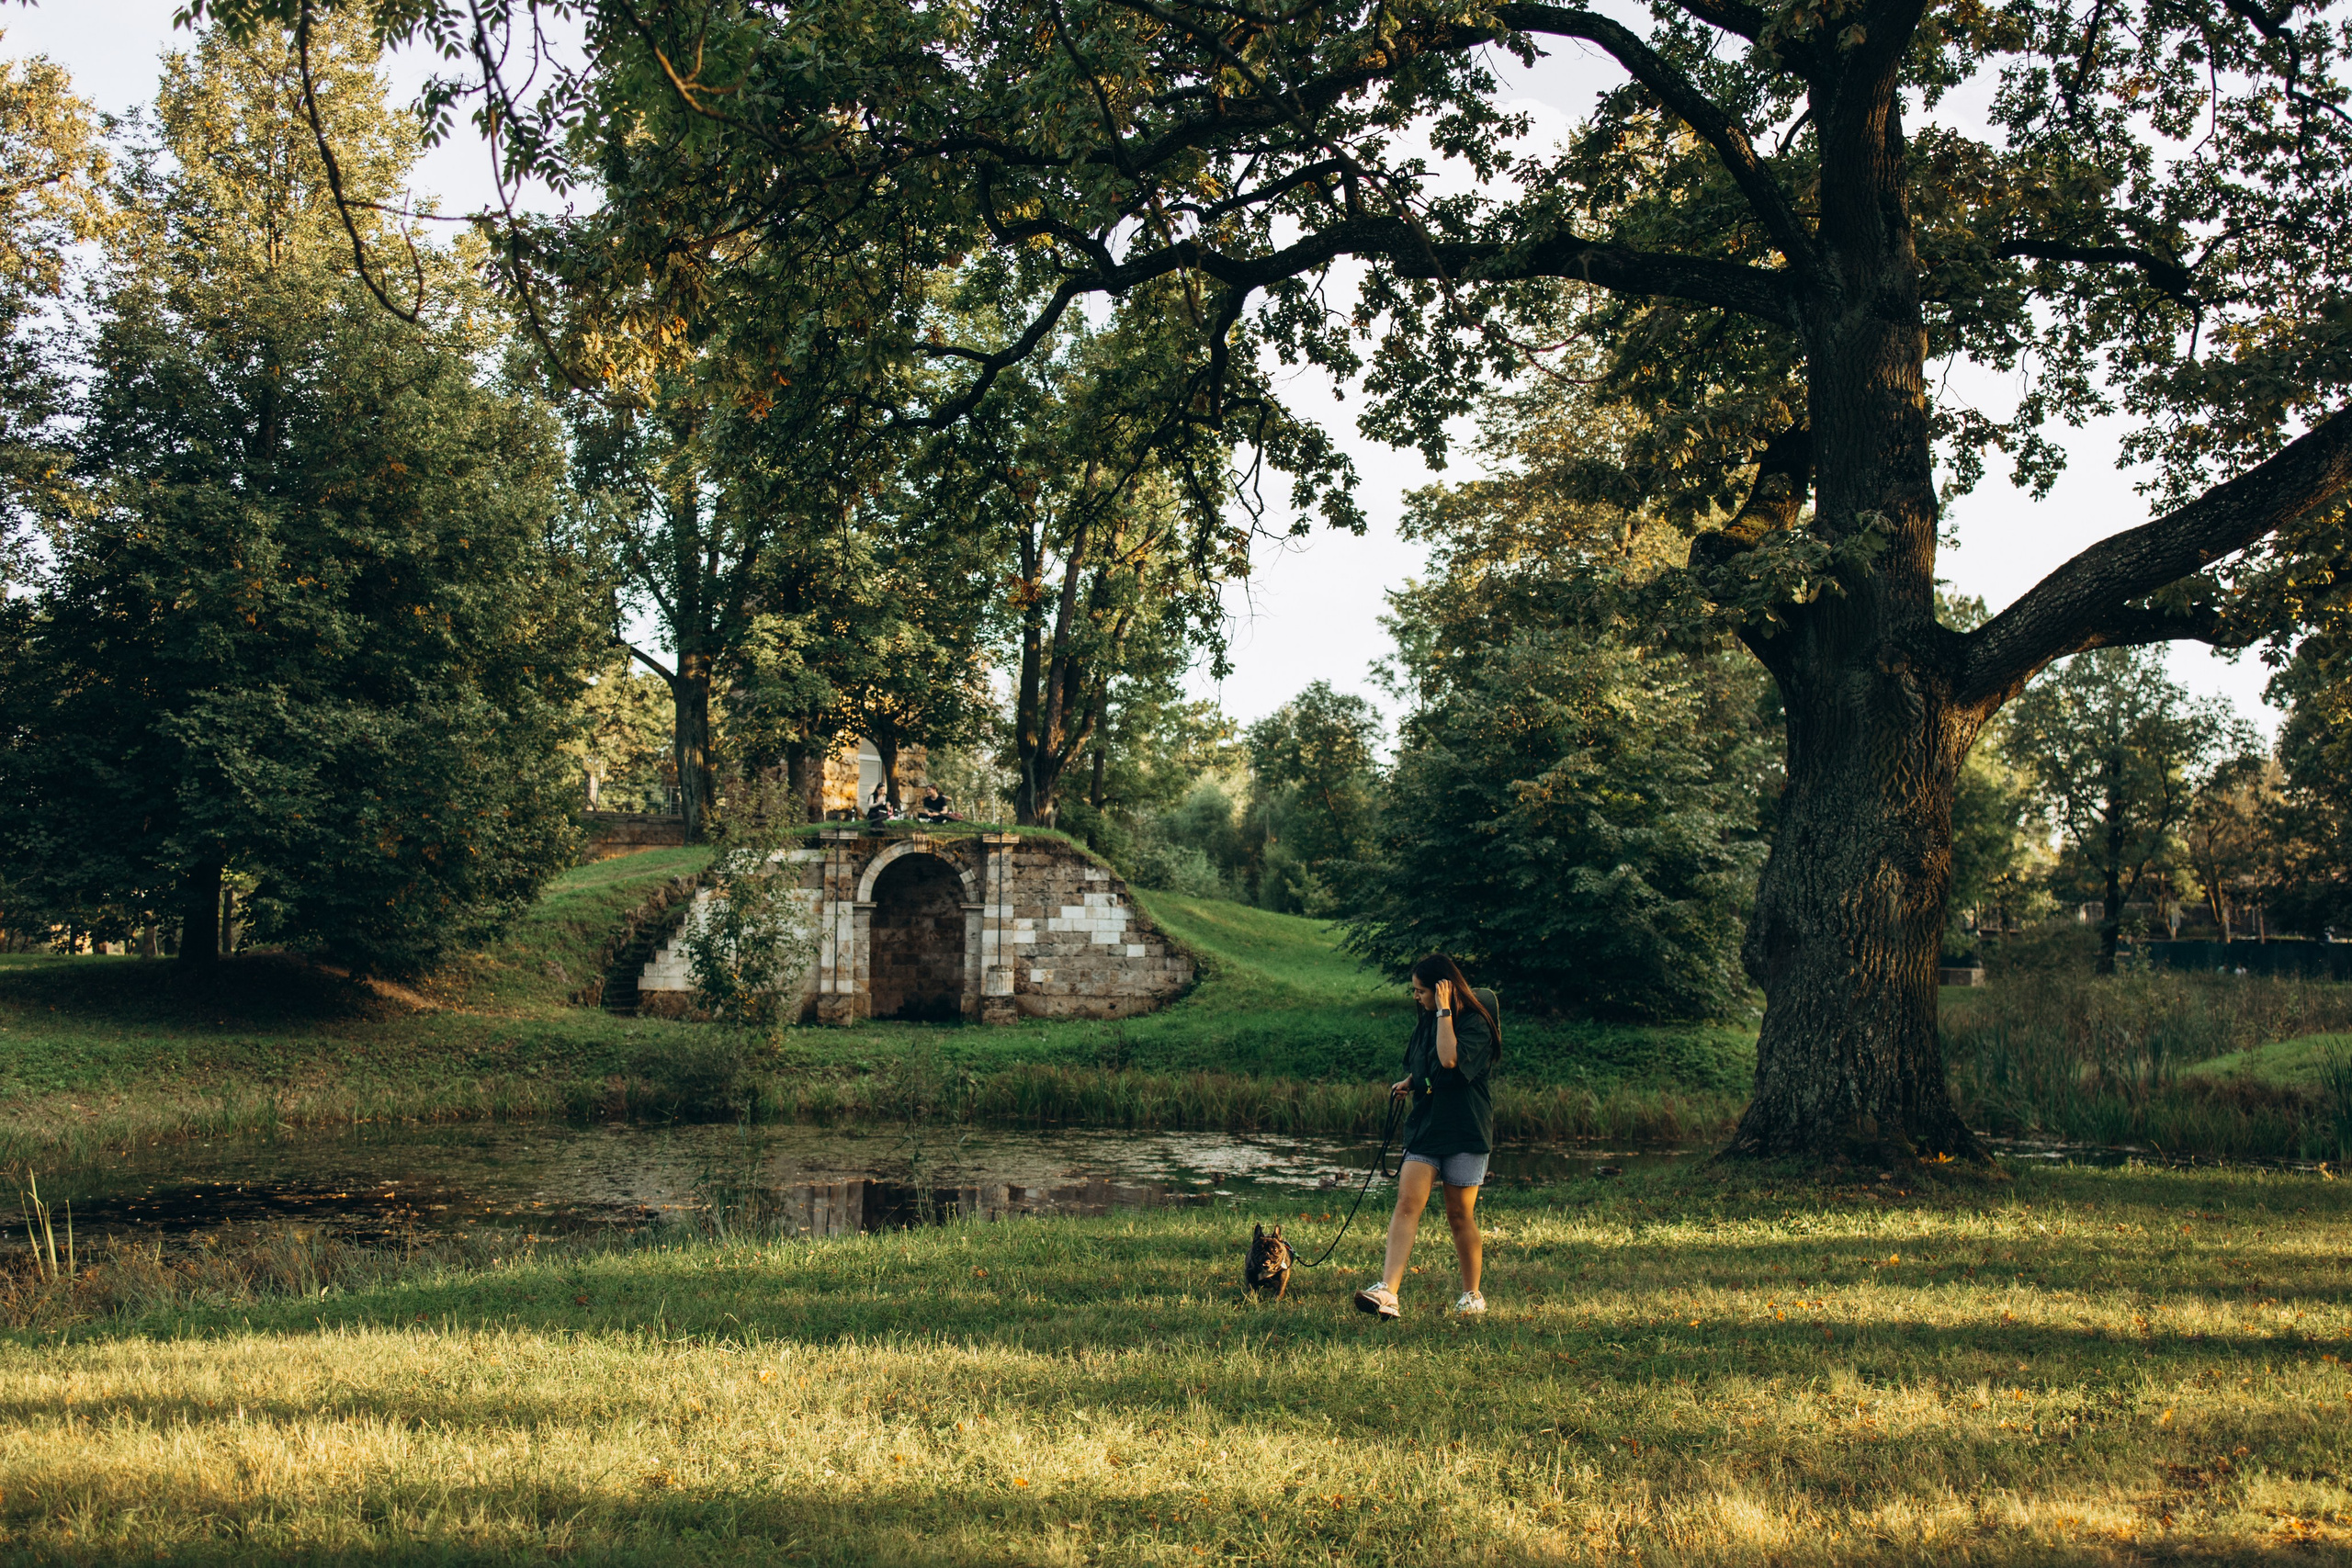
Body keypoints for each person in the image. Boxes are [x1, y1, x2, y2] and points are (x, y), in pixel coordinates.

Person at [1355, 954, 1500, 1320]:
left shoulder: (1475, 1022)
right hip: (1426, 1126)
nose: (1416, 997)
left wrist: (1445, 1011)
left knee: (1459, 1214)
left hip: (1465, 1129)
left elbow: (1450, 1060)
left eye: (1421, 991)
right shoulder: (1427, 1019)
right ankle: (1388, 1292)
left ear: (1442, 989)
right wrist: (1411, 1081)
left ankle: (1472, 1294)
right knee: (1407, 1203)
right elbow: (1428, 1063)